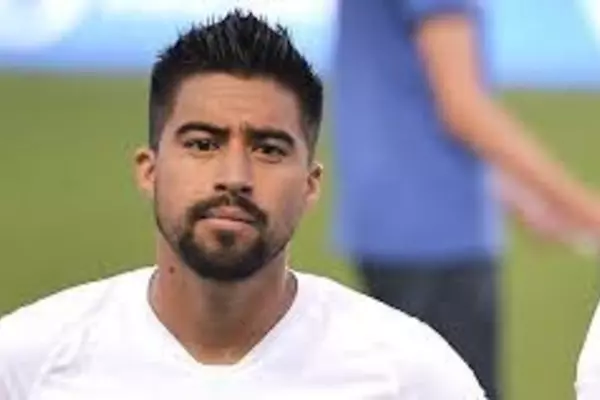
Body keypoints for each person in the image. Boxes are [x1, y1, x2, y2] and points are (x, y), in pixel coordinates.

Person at [0, 10, 488, 400]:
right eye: (202, 144)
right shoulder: (27, 363)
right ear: (149, 170)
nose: (234, 177)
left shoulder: (412, 376)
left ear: (310, 185)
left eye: (268, 149)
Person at [332, 1, 600, 399]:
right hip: (438, 232)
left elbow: (405, 86)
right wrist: (587, 211)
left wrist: (516, 193)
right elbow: (461, 105)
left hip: (389, 219)